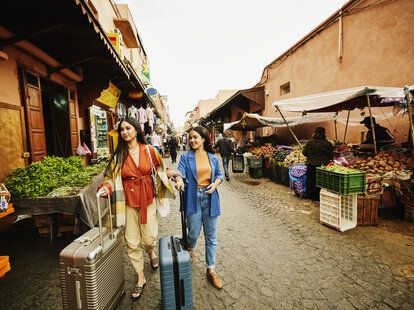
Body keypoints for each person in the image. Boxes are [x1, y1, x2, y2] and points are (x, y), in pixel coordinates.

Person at [98, 117, 179, 301]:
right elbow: (109, 177)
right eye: (122, 130)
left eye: (128, 128)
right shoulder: (118, 155)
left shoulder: (150, 151)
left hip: (148, 199)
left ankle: (151, 251)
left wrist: (168, 174)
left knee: (149, 237)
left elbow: (158, 171)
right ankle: (140, 277)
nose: (125, 132)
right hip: (127, 202)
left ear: (136, 130)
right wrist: (106, 187)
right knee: (132, 242)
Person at [173, 126, 224, 289]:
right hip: (192, 197)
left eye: (196, 137)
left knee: (211, 236)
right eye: (191, 138)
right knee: (193, 232)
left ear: (203, 139)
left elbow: (219, 176)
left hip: (210, 198)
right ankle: (190, 247)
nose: (192, 140)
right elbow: (179, 173)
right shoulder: (185, 157)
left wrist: (215, 184)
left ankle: (211, 269)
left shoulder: (213, 157)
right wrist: (179, 180)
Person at [302, 127, 334, 201]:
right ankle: (319, 197)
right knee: (321, 181)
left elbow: (304, 153)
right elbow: (331, 155)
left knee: (310, 180)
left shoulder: (310, 142)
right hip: (323, 165)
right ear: (324, 134)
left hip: (311, 164)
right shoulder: (328, 143)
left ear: (315, 133)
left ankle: (310, 196)